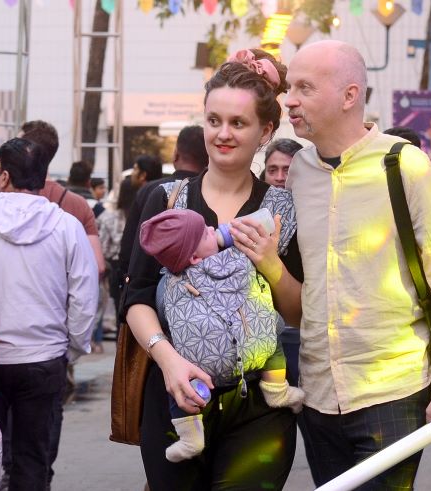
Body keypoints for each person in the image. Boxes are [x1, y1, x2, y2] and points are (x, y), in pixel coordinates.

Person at [285, 40, 431, 488]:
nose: (289, 99)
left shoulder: (405, 166)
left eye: (304, 87)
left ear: (350, 96)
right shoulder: (298, 171)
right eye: (289, 86)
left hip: (392, 393)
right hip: (315, 394)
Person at [122, 48, 303, 490]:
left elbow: (298, 314)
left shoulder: (282, 209)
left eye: (238, 124)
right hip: (174, 398)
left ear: (265, 132)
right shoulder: (164, 199)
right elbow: (136, 298)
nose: (223, 134)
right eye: (214, 120)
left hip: (260, 404)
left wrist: (270, 264)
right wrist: (168, 361)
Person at [0, 137, 98, 489]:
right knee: (33, 458)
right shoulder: (67, 225)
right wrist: (72, 349)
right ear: (43, 176)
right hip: (44, 358)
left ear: (4, 176)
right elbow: (84, 297)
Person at [139, 208, 304, 462]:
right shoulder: (235, 255)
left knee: (182, 388)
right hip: (251, 349)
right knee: (272, 338)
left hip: (200, 369)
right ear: (193, 257)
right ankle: (276, 390)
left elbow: (162, 310)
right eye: (204, 232)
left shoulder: (170, 281)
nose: (211, 228)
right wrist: (228, 234)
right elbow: (259, 223)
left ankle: (190, 436)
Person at [118, 125, 208, 309]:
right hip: (204, 307)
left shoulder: (153, 191)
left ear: (175, 154)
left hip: (149, 306)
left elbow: (129, 251)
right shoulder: (211, 194)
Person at [21, 120, 106, 278]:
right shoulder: (79, 204)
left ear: (25, 151)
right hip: (60, 297)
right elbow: (98, 265)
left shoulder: (7, 199)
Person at [95, 177, 137, 352]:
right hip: (139, 269)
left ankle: (122, 349)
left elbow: (102, 247)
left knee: (120, 308)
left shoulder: (108, 217)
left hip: (116, 270)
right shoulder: (148, 214)